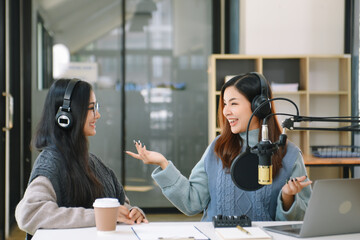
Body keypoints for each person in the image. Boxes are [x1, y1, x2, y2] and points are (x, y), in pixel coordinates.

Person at [126, 72, 312, 222]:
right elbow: (192, 203)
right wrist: (163, 163)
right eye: (224, 104)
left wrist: (288, 198)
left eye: (233, 103)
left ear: (260, 106)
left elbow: (300, 223)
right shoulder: (218, 147)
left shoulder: (290, 154)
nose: (225, 111)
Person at [16, 79, 148, 238]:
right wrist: (100, 216)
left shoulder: (95, 164)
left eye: (96, 107)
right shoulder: (51, 163)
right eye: (91, 108)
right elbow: (30, 214)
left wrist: (133, 213)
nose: (98, 115)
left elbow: (121, 205)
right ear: (65, 115)